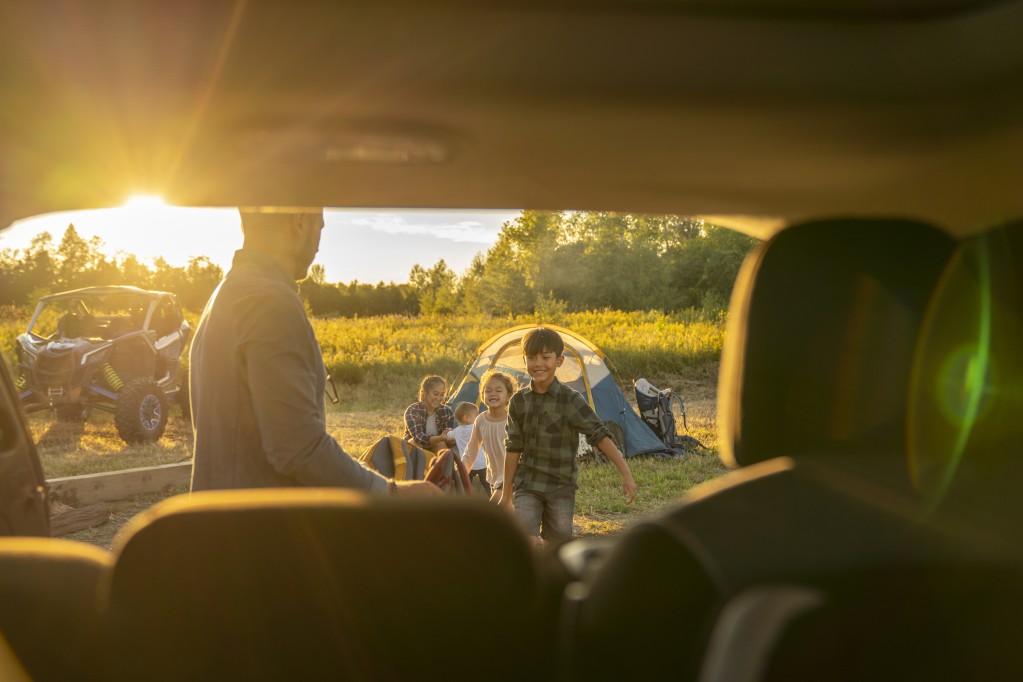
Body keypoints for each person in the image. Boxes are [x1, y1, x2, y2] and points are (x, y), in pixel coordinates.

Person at [189, 207, 439, 497]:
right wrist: (392, 493)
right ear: (299, 221)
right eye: (320, 226)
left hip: (225, 525)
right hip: (257, 532)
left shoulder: (228, 293)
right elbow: (296, 446)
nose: (319, 244)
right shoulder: (271, 301)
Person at [500, 327, 637, 544]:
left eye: (545, 357)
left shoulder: (570, 400)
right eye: (532, 358)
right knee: (523, 539)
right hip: (528, 484)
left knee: (558, 544)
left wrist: (626, 473)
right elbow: (513, 447)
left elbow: (600, 435)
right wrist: (506, 494)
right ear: (524, 360)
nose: (538, 364)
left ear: (559, 360)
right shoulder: (518, 401)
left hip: (560, 486)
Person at [459, 369, 515, 503]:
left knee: (494, 509)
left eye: (498, 390)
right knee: (507, 516)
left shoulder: (513, 419)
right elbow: (472, 448)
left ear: (508, 396)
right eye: (488, 390)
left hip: (513, 476)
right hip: (494, 477)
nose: (493, 393)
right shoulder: (481, 420)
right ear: (483, 396)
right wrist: (462, 468)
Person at [404, 375, 457, 454]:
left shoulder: (447, 411)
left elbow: (448, 441)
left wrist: (452, 439)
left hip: (437, 448)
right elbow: (418, 438)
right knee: (413, 442)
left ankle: (446, 466)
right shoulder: (413, 410)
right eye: (435, 394)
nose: (439, 398)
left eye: (442, 394)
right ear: (425, 393)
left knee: (441, 444)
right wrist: (440, 438)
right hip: (417, 448)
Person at [450, 401, 487, 496]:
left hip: (466, 464)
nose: (478, 417)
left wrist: (447, 432)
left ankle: (466, 499)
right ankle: (494, 498)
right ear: (466, 418)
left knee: (466, 484)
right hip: (482, 463)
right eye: (476, 415)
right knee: (487, 483)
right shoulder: (476, 428)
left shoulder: (457, 431)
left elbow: (448, 436)